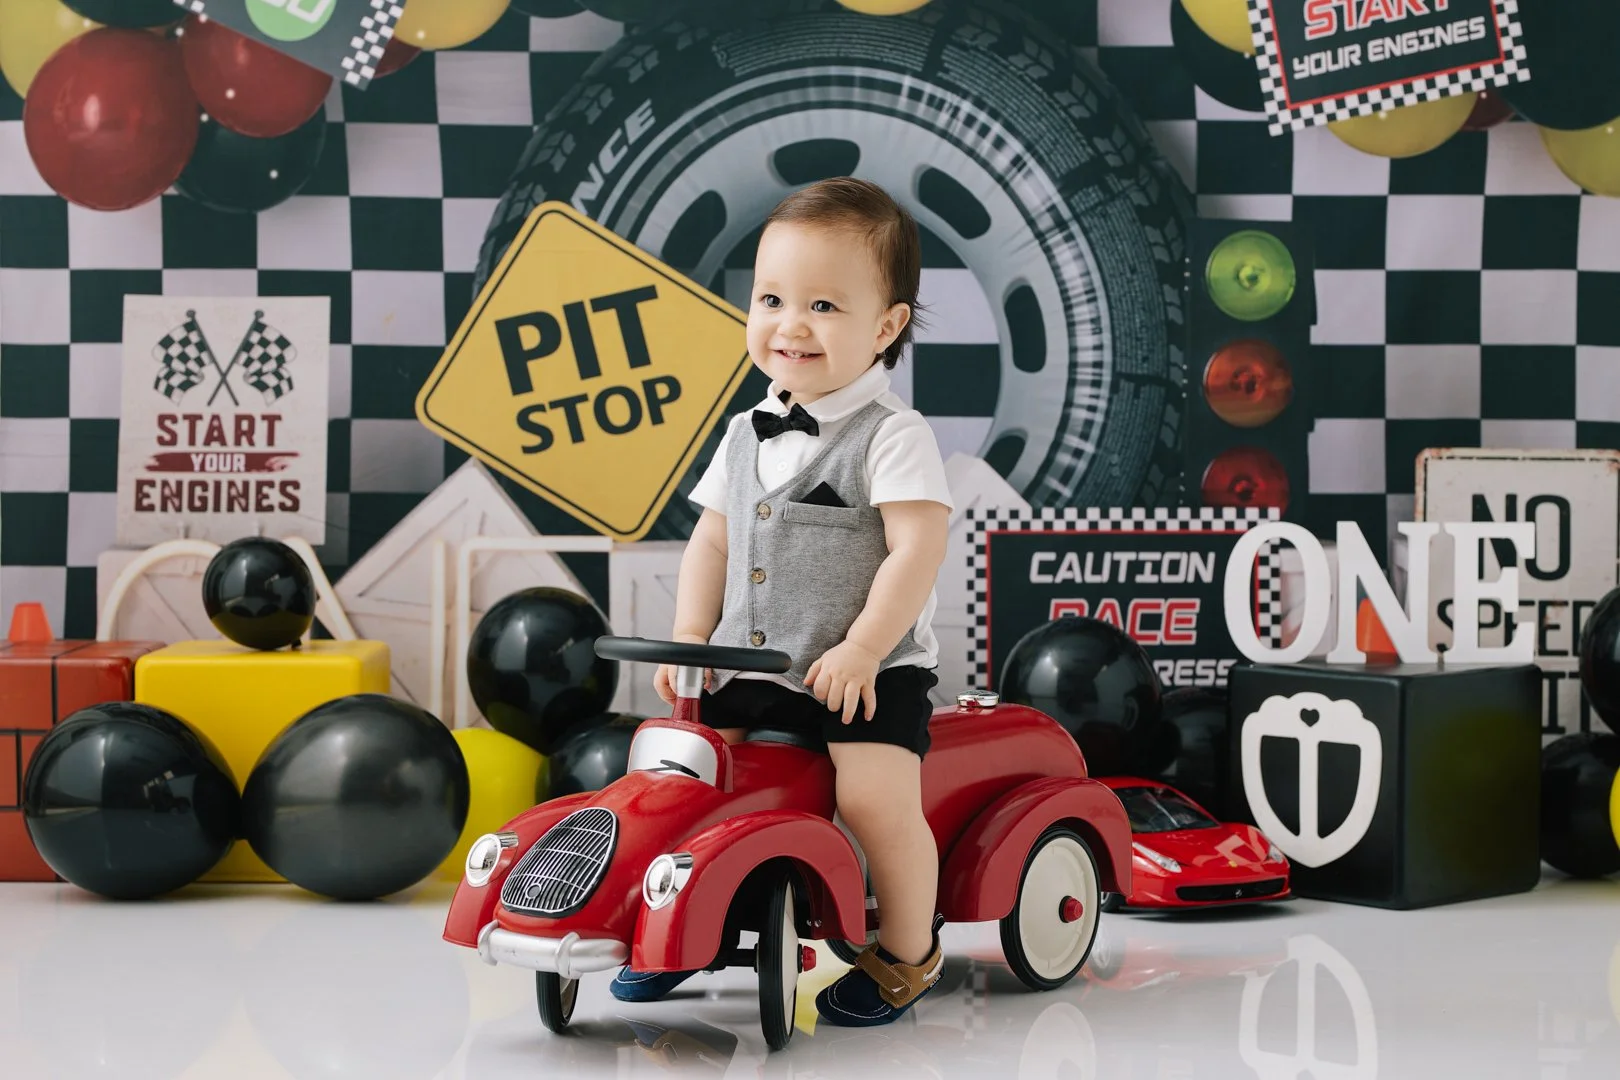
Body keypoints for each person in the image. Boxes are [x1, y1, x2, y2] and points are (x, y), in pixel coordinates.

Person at [608, 177, 954, 1027]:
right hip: (748, 662)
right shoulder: (742, 431)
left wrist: (867, 646)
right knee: (682, 782)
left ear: (886, 327)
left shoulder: (892, 435)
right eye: (771, 298)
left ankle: (907, 953)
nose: (790, 325)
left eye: (824, 305)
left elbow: (918, 548)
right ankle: (675, 926)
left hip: (860, 673)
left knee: (874, 798)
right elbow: (713, 544)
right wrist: (694, 633)